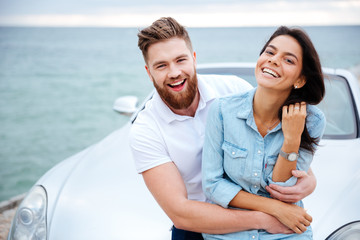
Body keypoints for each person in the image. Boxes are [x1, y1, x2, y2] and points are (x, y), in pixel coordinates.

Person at [129, 17, 318, 240]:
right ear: (149, 73)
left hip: (259, 208)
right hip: (198, 226)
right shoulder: (145, 129)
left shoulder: (233, 90)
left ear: (194, 59)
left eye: (180, 60)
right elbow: (180, 212)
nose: (174, 72)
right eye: (161, 65)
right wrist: (265, 218)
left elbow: (271, 146)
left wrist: (309, 179)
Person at [201, 26, 326, 240]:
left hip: (287, 232)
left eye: (288, 60)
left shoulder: (312, 120)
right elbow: (212, 185)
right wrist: (274, 209)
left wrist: (291, 139)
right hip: (230, 233)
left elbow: (283, 190)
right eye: (270, 52)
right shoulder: (222, 111)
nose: (274, 60)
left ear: (300, 79)